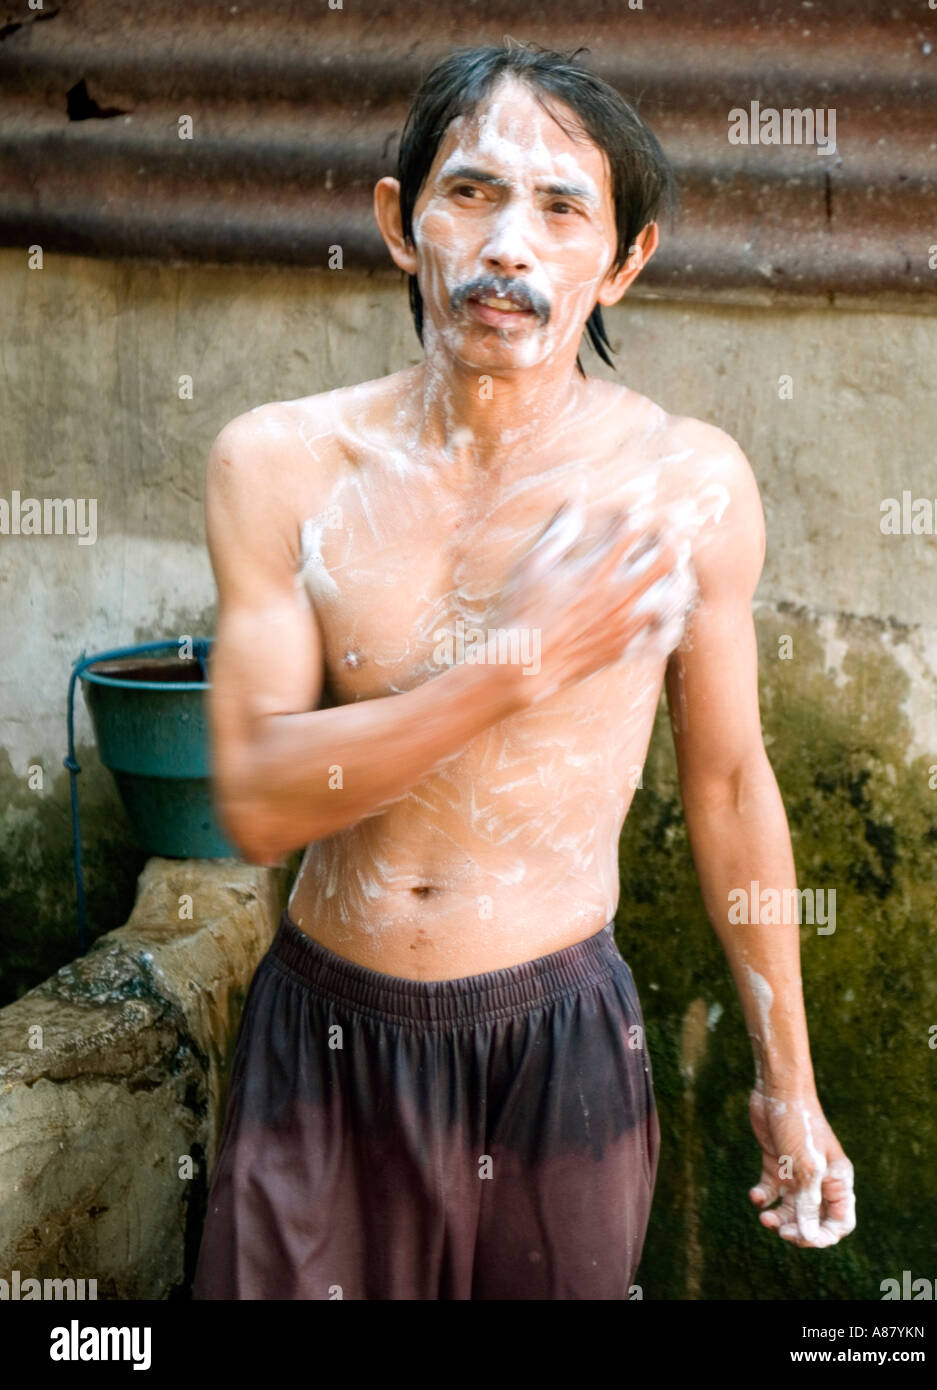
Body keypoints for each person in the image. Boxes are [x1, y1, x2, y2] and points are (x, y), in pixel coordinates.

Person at [192, 41, 855, 1301]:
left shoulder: (686, 486)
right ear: (400, 224)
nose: (510, 245)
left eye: (561, 209)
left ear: (623, 262)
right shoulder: (279, 464)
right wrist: (515, 662)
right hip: (326, 1033)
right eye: (472, 193)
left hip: (561, 1047)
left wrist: (790, 1083)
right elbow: (261, 801)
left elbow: (726, 787)